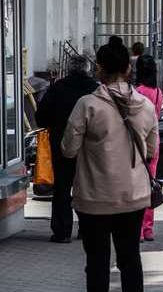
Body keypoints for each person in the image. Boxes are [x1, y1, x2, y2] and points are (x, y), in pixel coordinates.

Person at [61, 36, 158, 292]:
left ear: (99, 69)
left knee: (97, 262)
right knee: (130, 259)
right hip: (134, 196)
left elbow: (68, 150)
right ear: (128, 69)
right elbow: (151, 150)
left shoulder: (87, 105)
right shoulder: (146, 106)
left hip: (95, 198)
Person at [35, 55, 98, 243]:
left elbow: (41, 117)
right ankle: (86, 230)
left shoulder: (58, 88)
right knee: (87, 187)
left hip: (61, 145)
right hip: (89, 147)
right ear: (88, 69)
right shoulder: (95, 90)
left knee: (62, 188)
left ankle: (62, 231)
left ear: (69, 69)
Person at [134, 55, 163, 242]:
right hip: (155, 141)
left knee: (137, 188)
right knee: (150, 184)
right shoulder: (159, 92)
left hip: (138, 141)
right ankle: (148, 228)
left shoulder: (137, 92)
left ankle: (137, 229)